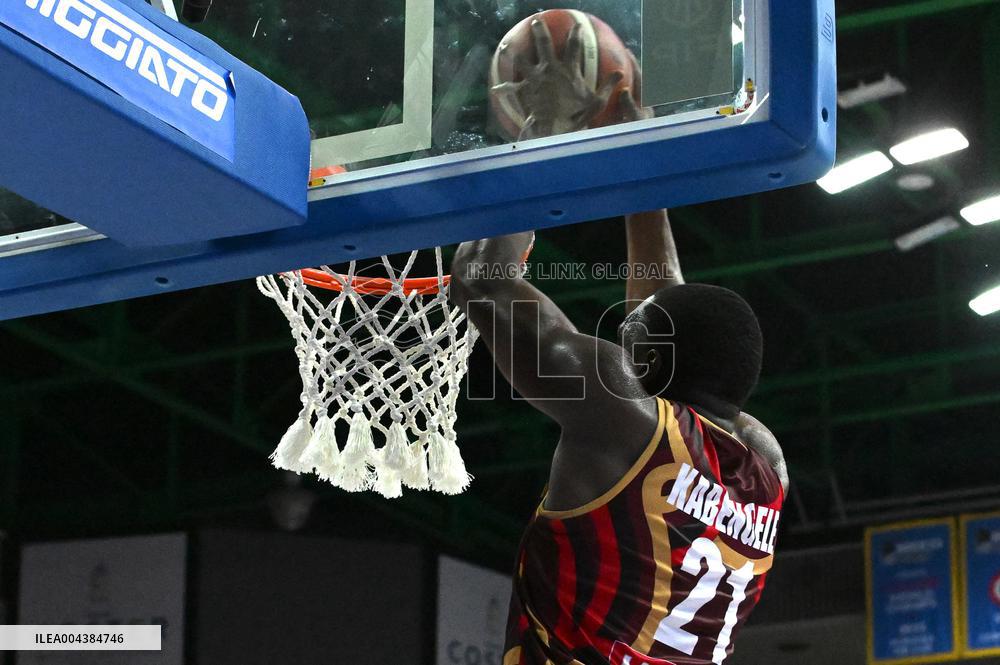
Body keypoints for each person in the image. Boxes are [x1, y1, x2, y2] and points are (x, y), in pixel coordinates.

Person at [449, 19, 789, 665]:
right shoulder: (762, 461)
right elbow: (665, 318)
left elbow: (482, 285)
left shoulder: (626, 418)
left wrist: (543, 126)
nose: (621, 325)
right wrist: (639, 164)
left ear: (648, 360)